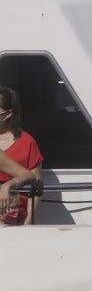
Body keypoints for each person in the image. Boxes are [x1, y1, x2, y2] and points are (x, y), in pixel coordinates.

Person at [0, 87, 43, 225]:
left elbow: (35, 184)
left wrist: (28, 222)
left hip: (14, 215)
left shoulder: (27, 141)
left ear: (8, 113)